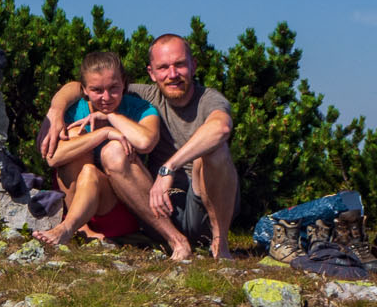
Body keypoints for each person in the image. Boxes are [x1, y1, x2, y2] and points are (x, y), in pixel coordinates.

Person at [42, 34, 238, 259]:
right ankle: (173, 240)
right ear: (151, 73)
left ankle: (220, 244)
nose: (172, 74)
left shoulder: (208, 99)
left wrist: (169, 168)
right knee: (110, 151)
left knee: (216, 151)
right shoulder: (132, 94)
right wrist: (55, 112)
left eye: (180, 65)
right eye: (163, 67)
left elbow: (220, 128)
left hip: (202, 200)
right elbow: (83, 85)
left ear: (193, 66)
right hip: (154, 204)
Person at [33, 51, 189, 256]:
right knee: (76, 140)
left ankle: (176, 240)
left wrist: (112, 117)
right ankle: (76, 229)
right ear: (85, 90)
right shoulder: (74, 110)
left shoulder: (140, 108)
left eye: (113, 88)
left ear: (124, 83)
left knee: (113, 151)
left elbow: (145, 142)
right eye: (97, 90)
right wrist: (104, 133)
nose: (106, 97)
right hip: (77, 201)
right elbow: (53, 157)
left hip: (119, 205)